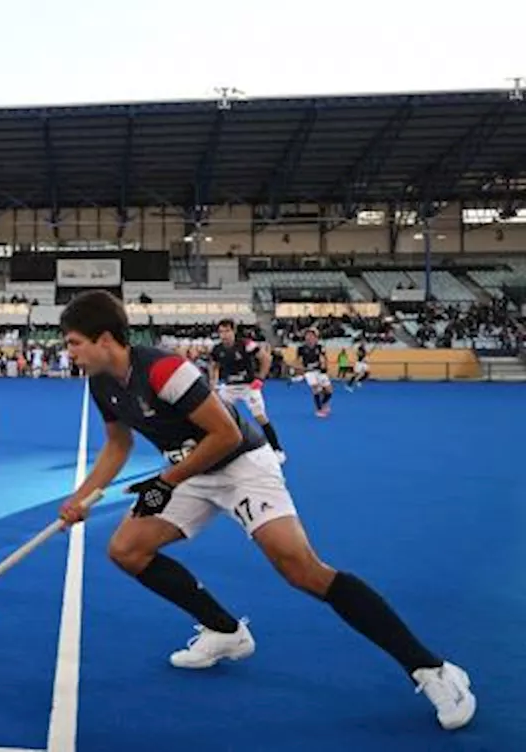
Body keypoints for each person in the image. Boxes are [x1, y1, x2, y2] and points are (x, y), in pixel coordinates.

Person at [55, 290, 474, 731]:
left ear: (104, 339)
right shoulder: (101, 382)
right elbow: (118, 445)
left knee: (301, 570)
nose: (69, 353)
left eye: (73, 343)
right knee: (126, 549)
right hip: (190, 470)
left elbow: (225, 435)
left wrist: (165, 483)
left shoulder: (163, 369)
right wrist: (81, 498)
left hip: (240, 464)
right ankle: (225, 632)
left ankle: (432, 669)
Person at [208, 319, 282, 460]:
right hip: (229, 388)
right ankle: (223, 450)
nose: (224, 335)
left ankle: (277, 449)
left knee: (260, 417)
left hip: (249, 387)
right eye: (221, 332)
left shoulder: (246, 344)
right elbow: (214, 366)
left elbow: (266, 358)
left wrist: (260, 378)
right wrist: (214, 384)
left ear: (234, 331)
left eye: (227, 331)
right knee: (218, 417)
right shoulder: (217, 349)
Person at [293, 328, 334, 417]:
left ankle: (324, 404)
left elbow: (324, 358)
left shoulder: (320, 347)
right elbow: (297, 361)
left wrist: (325, 367)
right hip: (309, 372)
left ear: (316, 337)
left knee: (329, 391)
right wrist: (298, 371)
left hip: (319, 371)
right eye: (308, 335)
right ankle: (319, 410)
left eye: (312, 335)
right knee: (316, 389)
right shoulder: (301, 348)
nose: (309, 337)